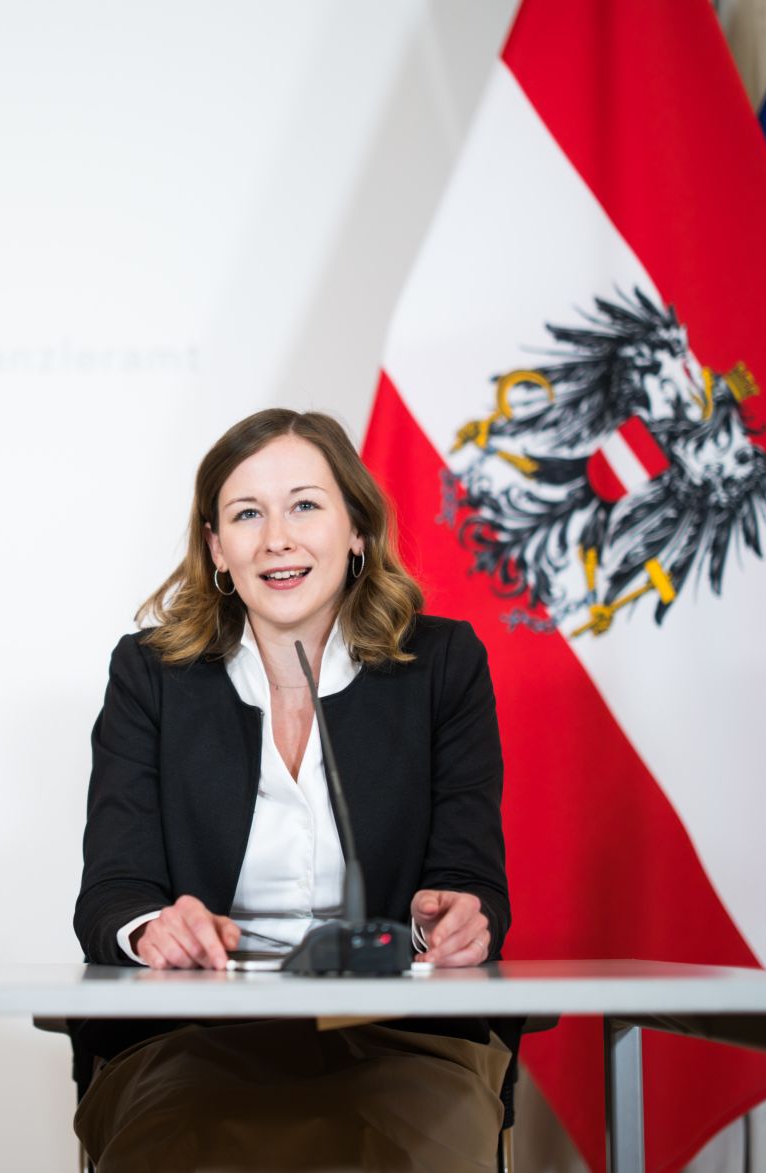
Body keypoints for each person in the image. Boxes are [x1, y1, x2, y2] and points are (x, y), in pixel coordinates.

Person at [72, 408, 510, 1172]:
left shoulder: (443, 666)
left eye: (305, 505)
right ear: (216, 548)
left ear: (357, 531)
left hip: (399, 1031)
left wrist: (452, 917)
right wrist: (152, 931)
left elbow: (470, 880)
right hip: (196, 1039)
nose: (277, 537)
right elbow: (114, 893)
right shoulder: (150, 676)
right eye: (247, 514)